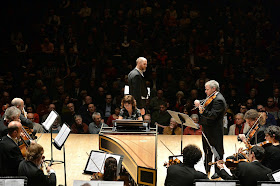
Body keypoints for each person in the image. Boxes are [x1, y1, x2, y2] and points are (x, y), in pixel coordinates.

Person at [195, 80, 226, 179]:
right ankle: (207, 170)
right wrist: (199, 102)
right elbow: (208, 105)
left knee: (217, 151)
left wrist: (201, 110)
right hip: (207, 129)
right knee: (207, 151)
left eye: (207, 89)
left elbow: (212, 115)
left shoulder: (219, 100)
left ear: (214, 89)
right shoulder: (212, 97)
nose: (205, 91)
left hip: (214, 130)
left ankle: (218, 172)